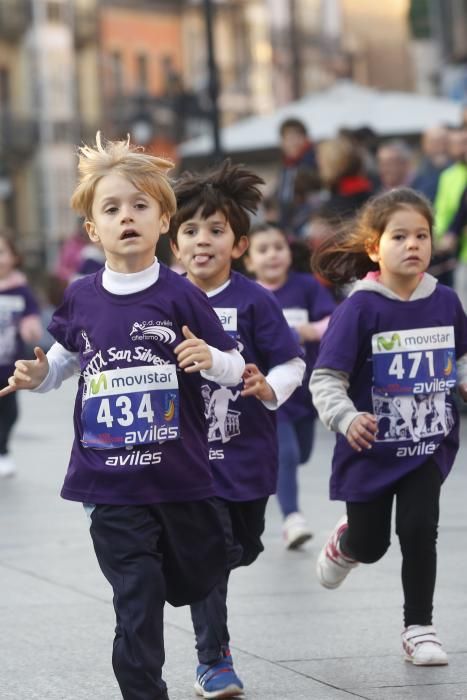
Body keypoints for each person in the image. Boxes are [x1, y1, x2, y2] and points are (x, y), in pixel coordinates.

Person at [0, 134, 247, 700]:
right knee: (136, 592)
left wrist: (212, 360)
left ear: (163, 220)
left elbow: (233, 364)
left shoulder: (181, 295)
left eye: (139, 206)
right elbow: (63, 358)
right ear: (93, 229)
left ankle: (209, 635)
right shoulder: (82, 295)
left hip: (181, 480)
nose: (126, 217)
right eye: (111, 209)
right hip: (110, 484)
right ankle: (143, 691)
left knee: (201, 570)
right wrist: (41, 378)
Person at [309, 187, 467, 666]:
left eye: (421, 234)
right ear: (375, 247)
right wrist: (347, 417)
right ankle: (346, 542)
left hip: (426, 444)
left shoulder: (445, 301)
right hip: (371, 449)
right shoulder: (360, 308)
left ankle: (419, 628)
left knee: (421, 529)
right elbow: (326, 378)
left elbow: (458, 360)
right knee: (372, 544)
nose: (413, 244)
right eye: (400, 235)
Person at [169, 159, 305, 698]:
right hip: (187, 462)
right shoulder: (162, 299)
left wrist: (270, 388)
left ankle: (204, 572)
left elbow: (291, 363)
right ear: (173, 243)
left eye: (216, 230)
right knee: (209, 556)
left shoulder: (255, 300)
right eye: (191, 231)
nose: (203, 240)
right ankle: (214, 658)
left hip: (246, 452)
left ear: (239, 244)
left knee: (239, 548)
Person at [244, 223, 336, 548]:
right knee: (286, 452)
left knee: (301, 454)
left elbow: (333, 321)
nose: (272, 255)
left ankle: (272, 474)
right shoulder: (250, 294)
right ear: (249, 260)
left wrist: (311, 330)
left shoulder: (307, 286)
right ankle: (292, 519)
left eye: (278, 247)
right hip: (267, 392)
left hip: (304, 390)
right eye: (263, 249)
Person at [0, 231, 43, 477]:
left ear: (14, 257)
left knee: (10, 413)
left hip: (8, 369)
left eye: (2, 253)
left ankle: (3, 450)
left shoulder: (20, 289)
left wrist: (31, 327)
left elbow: (31, 315)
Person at [276, 117, 318, 233]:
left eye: (296, 137)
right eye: (288, 138)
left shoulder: (314, 164)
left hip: (305, 227)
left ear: (305, 139)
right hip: (288, 227)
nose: (292, 143)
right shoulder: (286, 167)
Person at [410, 126, 450, 202]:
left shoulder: (458, 168)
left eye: (443, 142)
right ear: (424, 145)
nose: (439, 147)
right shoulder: (417, 169)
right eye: (434, 142)